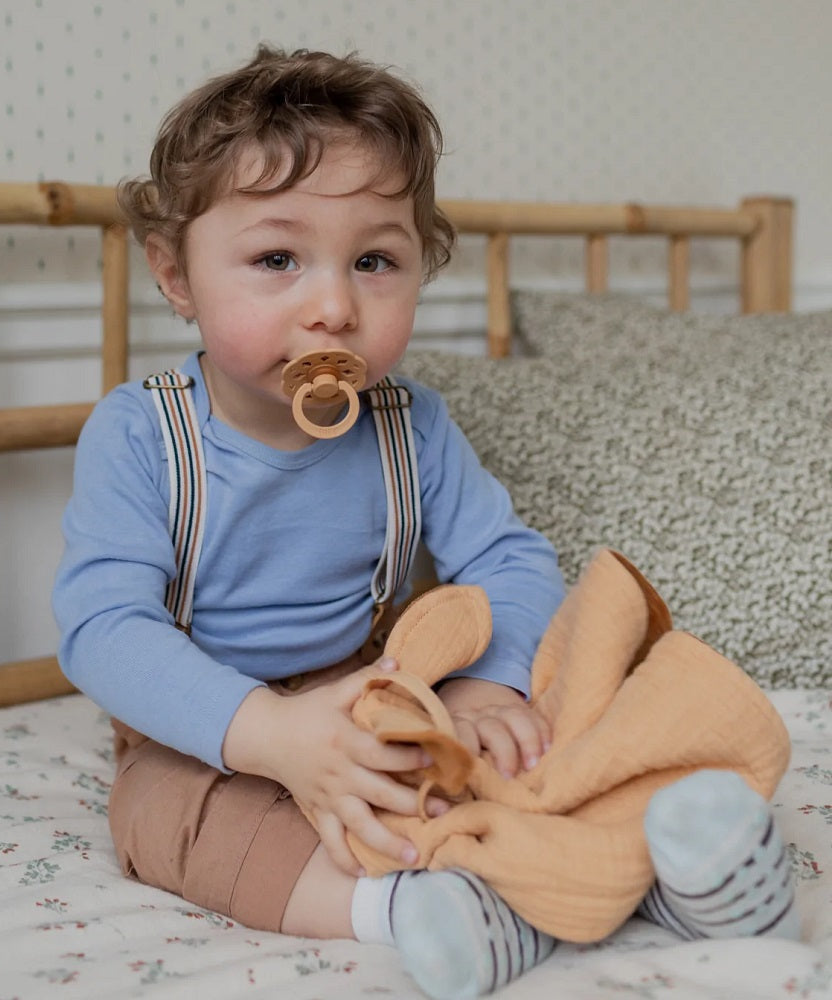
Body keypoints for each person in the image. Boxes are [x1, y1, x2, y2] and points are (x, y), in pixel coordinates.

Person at [53, 46, 798, 999]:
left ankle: (677, 865)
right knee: (162, 813)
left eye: (374, 261)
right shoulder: (142, 435)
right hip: (210, 724)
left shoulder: (412, 426)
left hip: (383, 690)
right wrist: (270, 735)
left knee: (550, 718)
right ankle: (416, 907)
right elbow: (103, 628)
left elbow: (511, 562)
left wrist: (487, 690)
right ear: (176, 276)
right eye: (277, 259)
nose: (334, 307)